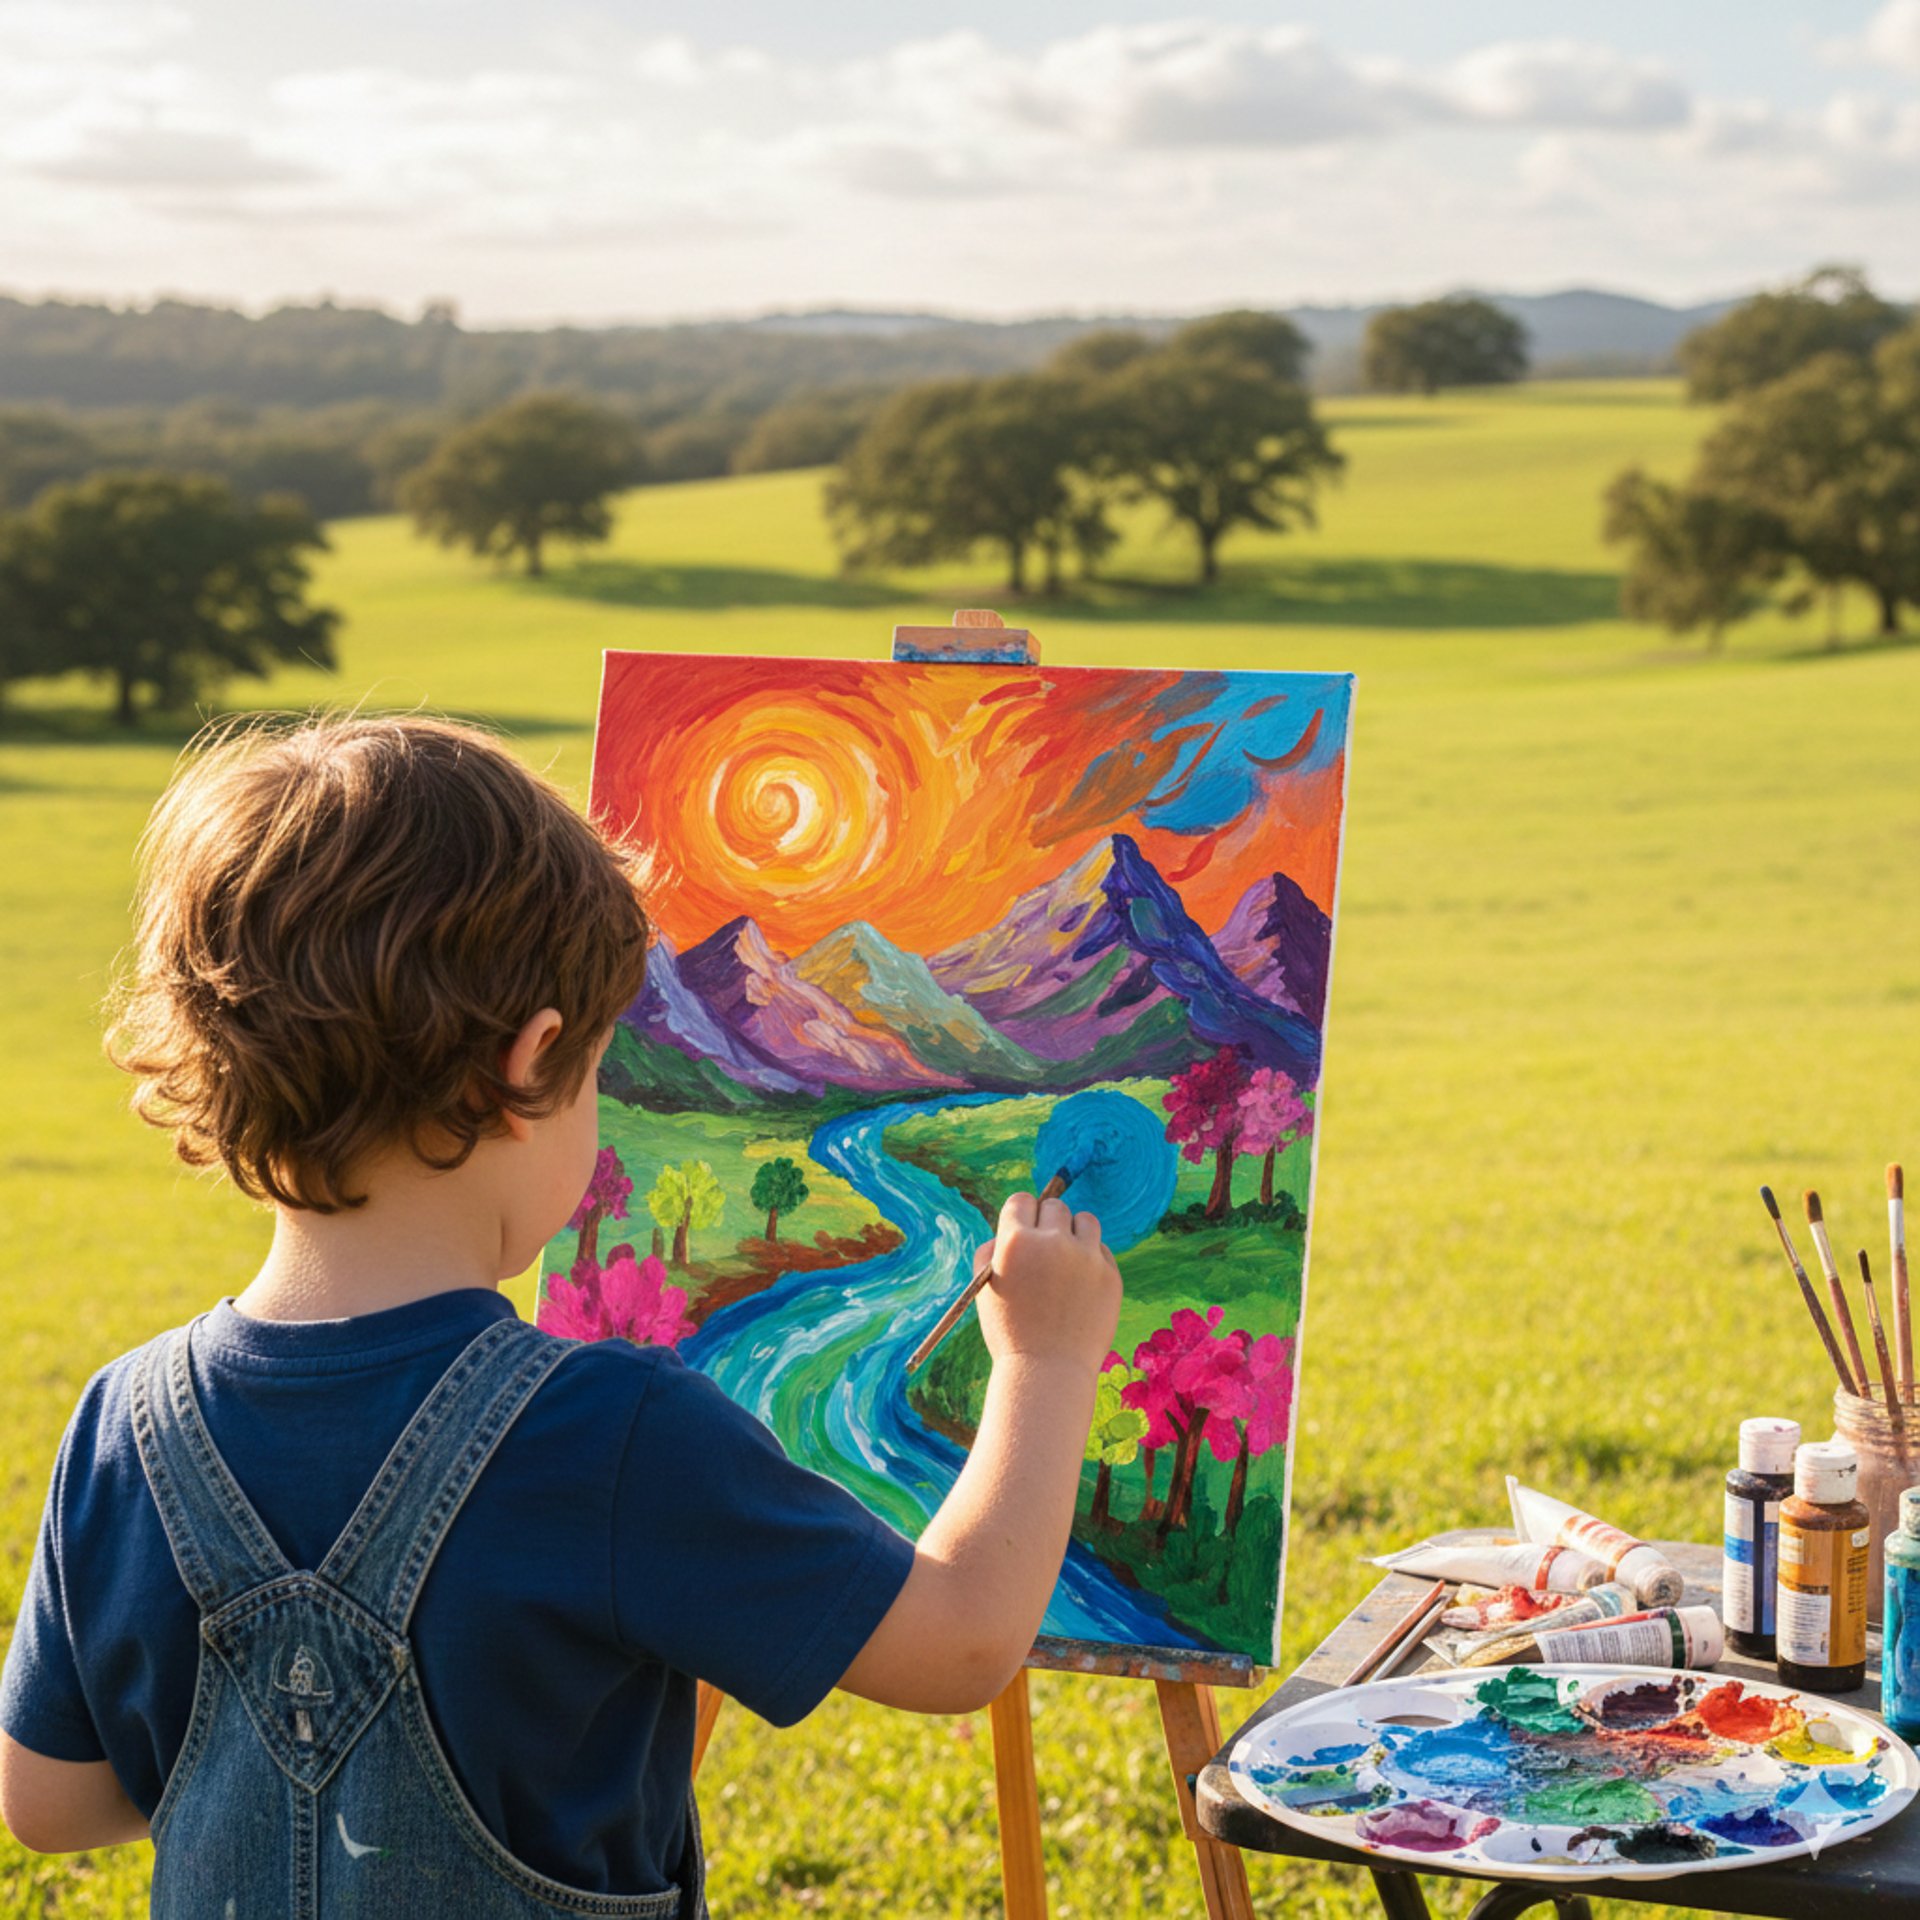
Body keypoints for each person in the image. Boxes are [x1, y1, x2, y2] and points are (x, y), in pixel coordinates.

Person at [0, 714, 1122, 1918]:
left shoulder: (125, 1423)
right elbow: (957, 1643)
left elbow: (50, 1805)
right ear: (530, 1066)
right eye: (597, 1072)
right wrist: (1045, 1360)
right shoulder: (614, 1435)